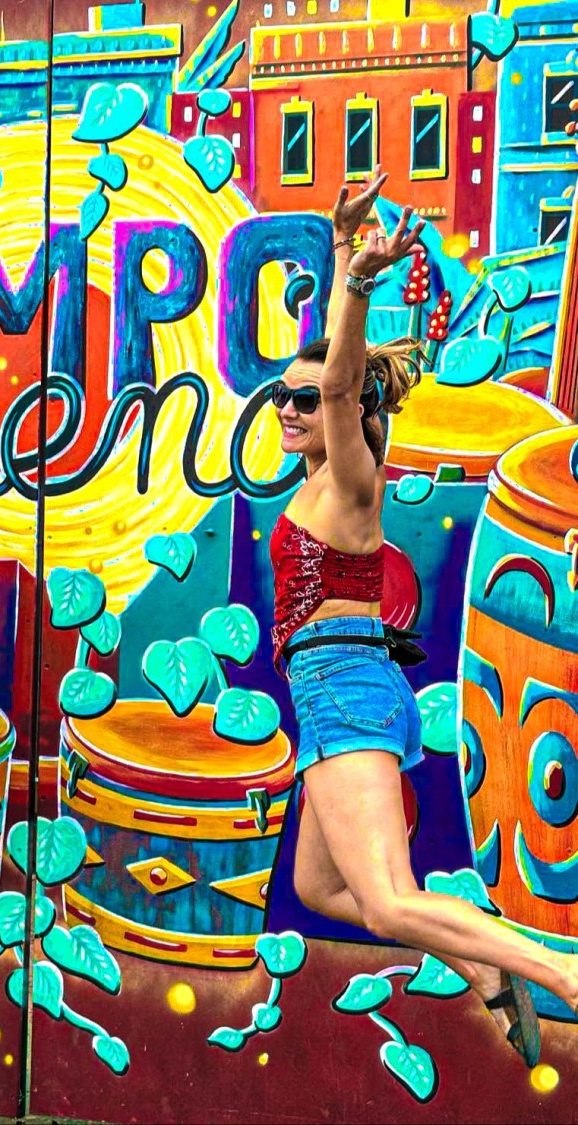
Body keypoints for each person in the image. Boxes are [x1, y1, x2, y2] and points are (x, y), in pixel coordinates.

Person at [269, 172, 577, 1067]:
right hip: (339, 690)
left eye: (304, 399)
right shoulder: (321, 482)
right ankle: (484, 969)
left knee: (389, 899)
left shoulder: (349, 478)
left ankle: (557, 969)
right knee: (321, 886)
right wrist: (338, 247)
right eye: (281, 394)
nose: (288, 407)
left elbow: (339, 385)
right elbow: (335, 373)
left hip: (343, 686)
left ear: (347, 410)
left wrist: (357, 280)